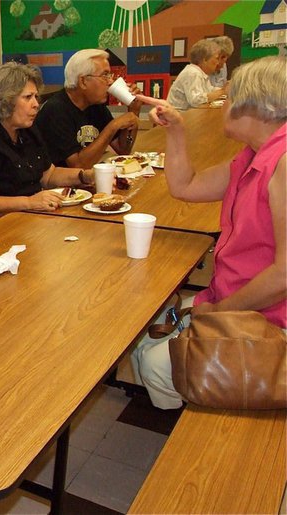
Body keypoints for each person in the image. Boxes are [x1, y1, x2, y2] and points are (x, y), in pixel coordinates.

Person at [132, 56, 287, 409]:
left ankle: (209, 424)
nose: (222, 104)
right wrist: (176, 130)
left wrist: (220, 312)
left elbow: (284, 275)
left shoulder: (283, 163)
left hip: (269, 318)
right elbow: (185, 186)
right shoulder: (253, 155)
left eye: (230, 98)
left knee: (157, 365)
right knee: (142, 336)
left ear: (258, 108)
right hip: (237, 302)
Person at [0, 62, 95, 232]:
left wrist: (86, 176)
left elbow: (48, 175)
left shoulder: (28, 130)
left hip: (23, 214)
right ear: (4, 101)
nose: (36, 104)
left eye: (36, 97)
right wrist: (29, 202)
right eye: (28, 97)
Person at [36, 49, 141, 168]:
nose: (110, 81)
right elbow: (78, 165)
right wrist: (113, 126)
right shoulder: (55, 110)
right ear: (83, 81)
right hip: (58, 185)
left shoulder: (95, 105)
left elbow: (123, 149)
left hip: (84, 181)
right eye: (105, 75)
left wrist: (134, 110)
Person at [167, 38, 226, 110]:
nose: (218, 63)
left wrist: (225, 89)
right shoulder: (193, 73)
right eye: (216, 58)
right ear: (205, 60)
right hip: (181, 116)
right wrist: (222, 91)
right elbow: (196, 101)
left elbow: (210, 90)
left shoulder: (199, 72)